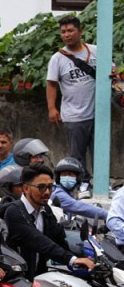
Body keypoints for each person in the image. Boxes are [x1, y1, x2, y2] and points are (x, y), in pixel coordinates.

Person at [4, 164, 95, 279]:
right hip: (14, 281)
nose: (47, 192)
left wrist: (83, 256)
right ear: (26, 188)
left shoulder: (45, 210)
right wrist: (71, 259)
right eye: (41, 187)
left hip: (37, 278)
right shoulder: (14, 212)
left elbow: (59, 238)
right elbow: (40, 242)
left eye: (50, 187)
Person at [47, 15, 99, 183]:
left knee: (99, 153)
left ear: (80, 31)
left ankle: (100, 184)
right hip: (74, 115)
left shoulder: (96, 51)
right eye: (63, 32)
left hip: (98, 113)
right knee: (77, 155)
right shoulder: (58, 58)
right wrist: (52, 108)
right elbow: (51, 84)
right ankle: (83, 184)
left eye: (70, 30)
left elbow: (112, 72)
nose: (66, 35)